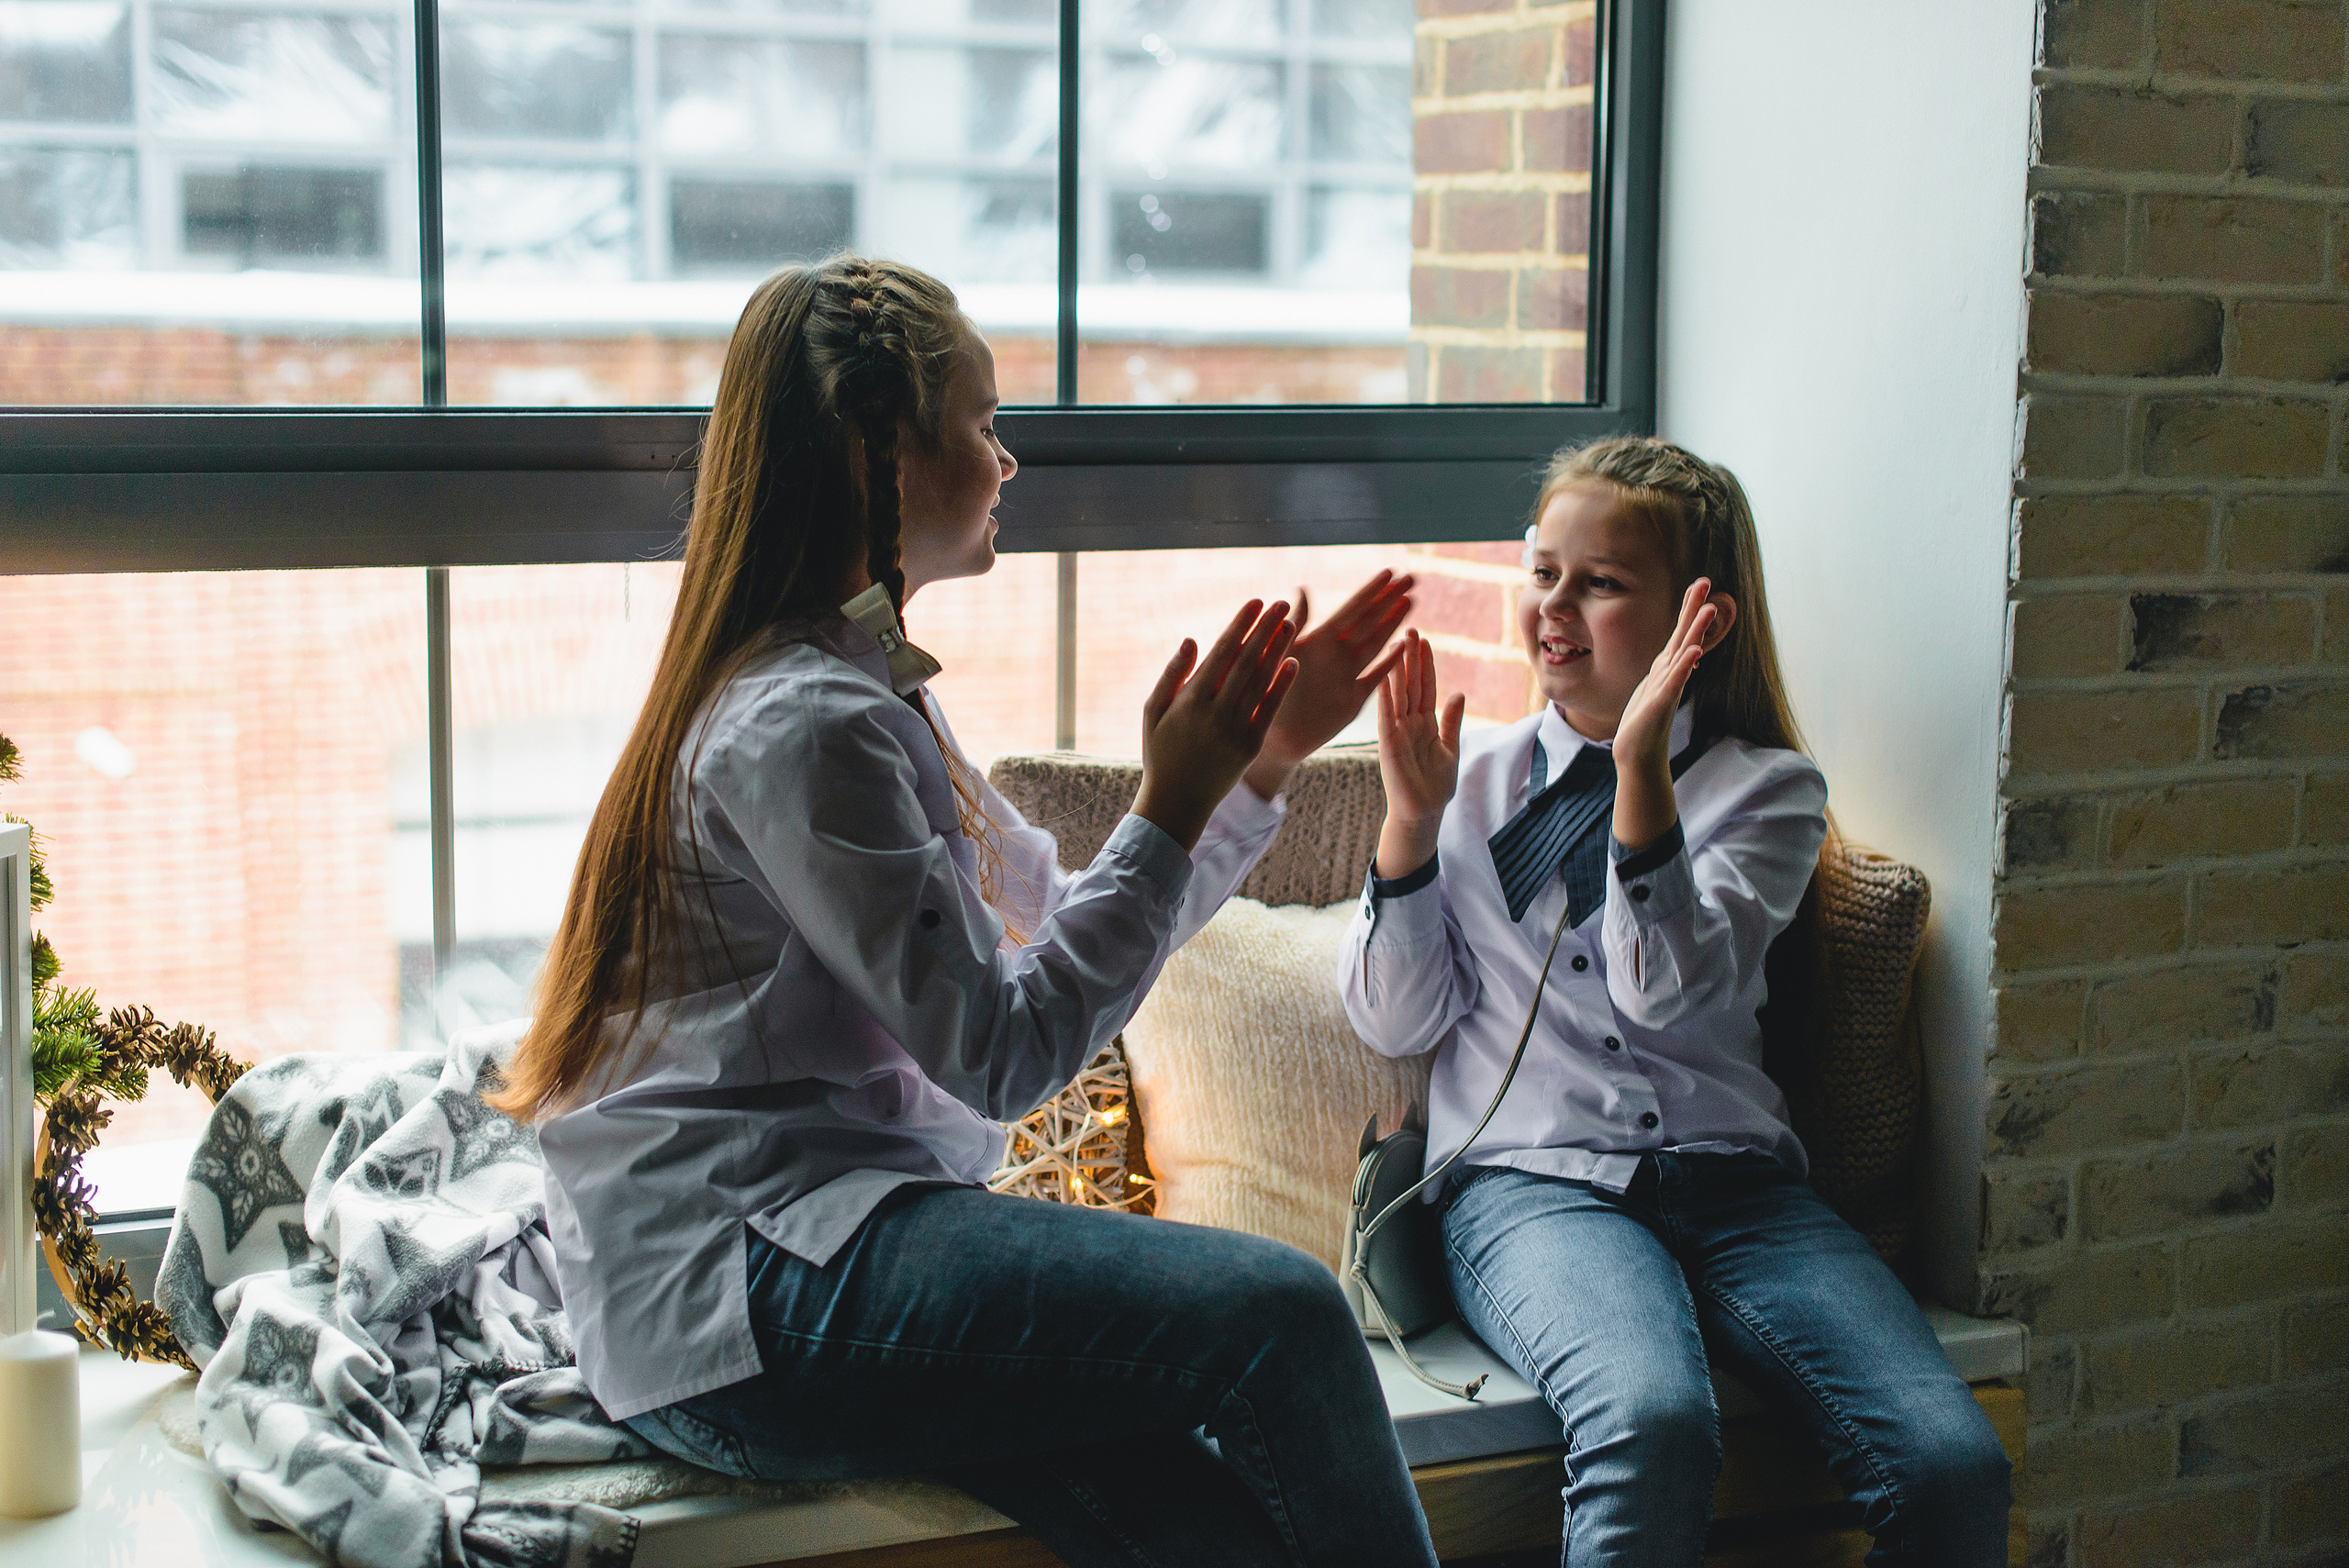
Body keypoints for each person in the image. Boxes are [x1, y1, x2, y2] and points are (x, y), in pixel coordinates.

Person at [486, 254, 1441, 1568]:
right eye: (982, 427)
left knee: (1202, 1514)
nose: (1006, 462)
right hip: (740, 1295)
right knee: (1286, 1311)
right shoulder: (803, 725)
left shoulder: (864, 690)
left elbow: (1067, 938)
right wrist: (1169, 805)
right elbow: (1004, 1057)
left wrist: (1255, 767)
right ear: (877, 454)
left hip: (821, 1253)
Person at [1341, 437, 2011, 1567]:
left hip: (1738, 1187)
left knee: (1954, 1465)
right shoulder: (1476, 776)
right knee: (1650, 1426)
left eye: (1598, 583)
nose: (1554, 607)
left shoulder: (1767, 791)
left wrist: (1641, 776)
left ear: (1700, 616)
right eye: (1542, 570)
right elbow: (1395, 1020)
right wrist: (1408, 826)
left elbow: (1663, 994)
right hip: (1532, 1189)